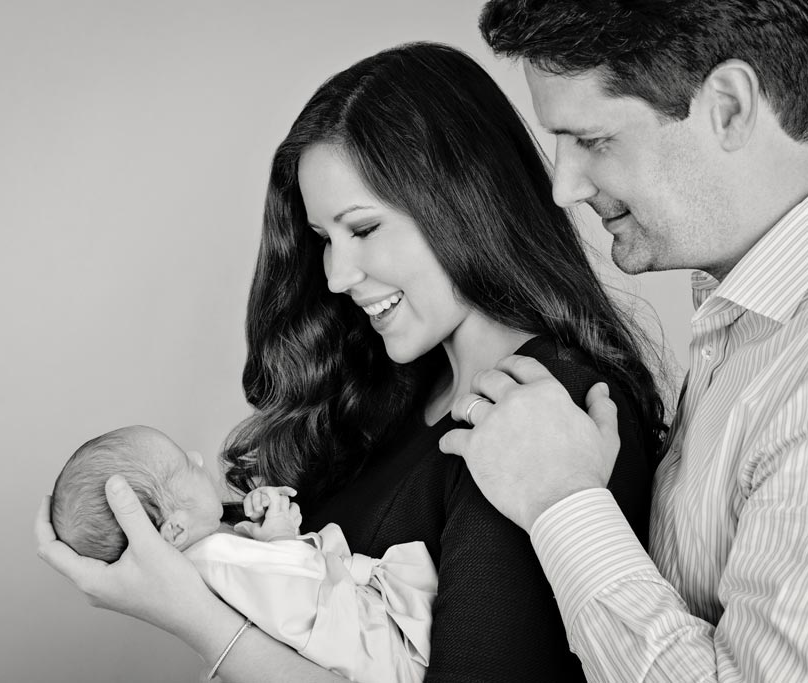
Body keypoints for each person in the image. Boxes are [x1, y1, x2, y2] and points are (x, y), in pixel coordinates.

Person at [36, 41, 666, 681]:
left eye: (362, 229)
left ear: (465, 201)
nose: (336, 276)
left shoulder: (541, 416)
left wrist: (196, 619)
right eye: (322, 240)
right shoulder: (395, 389)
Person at [440, 2, 808, 681]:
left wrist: (562, 498)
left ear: (731, 107)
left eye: (593, 140)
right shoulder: (763, 307)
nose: (563, 188)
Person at [51, 425, 436, 683]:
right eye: (187, 465)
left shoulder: (201, 562)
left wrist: (264, 537)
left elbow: (276, 607)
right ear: (175, 529)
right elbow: (301, 585)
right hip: (374, 656)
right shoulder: (218, 556)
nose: (199, 458)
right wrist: (284, 537)